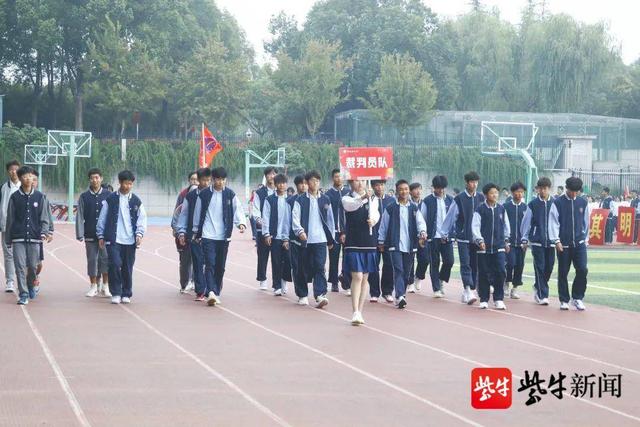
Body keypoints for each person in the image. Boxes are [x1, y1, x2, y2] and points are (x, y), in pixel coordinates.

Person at [192, 167, 246, 306]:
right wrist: (196, 231)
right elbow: (198, 213)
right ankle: (210, 291)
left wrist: (241, 223)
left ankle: (216, 292)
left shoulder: (229, 194)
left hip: (223, 236)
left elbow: (237, 209)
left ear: (225, 180)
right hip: (208, 234)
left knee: (220, 267)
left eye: (223, 179)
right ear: (213, 180)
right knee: (210, 263)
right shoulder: (204, 195)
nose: (220, 182)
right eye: (217, 179)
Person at [97, 170, 148, 305]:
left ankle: (126, 292)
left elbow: (142, 219)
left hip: (130, 240)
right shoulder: (111, 199)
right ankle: (116, 292)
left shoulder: (136, 201)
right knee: (114, 264)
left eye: (130, 184)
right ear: (120, 182)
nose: (128, 186)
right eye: (125, 183)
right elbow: (102, 217)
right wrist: (101, 235)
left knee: (127, 267)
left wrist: (139, 234)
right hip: (113, 239)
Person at [4, 166, 53, 304]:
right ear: (20, 179)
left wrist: (44, 232)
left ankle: (31, 284)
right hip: (18, 237)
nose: (28, 179)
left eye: (30, 176)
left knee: (33, 266)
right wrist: (8, 239)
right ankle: (23, 294)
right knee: (19, 266)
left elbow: (44, 218)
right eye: (25, 176)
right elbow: (10, 220)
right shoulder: (14, 197)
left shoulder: (40, 197)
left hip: (35, 237)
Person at [378, 180, 427, 309]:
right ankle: (400, 296)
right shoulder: (391, 208)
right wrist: (381, 241)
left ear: (408, 191)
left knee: (406, 272)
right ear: (397, 191)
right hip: (395, 245)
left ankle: (401, 294)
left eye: (406, 189)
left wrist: (422, 232)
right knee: (398, 270)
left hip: (410, 245)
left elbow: (420, 222)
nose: (404, 191)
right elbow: (384, 225)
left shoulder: (414, 208)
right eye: (401, 189)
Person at [292, 170, 336, 308]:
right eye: (312, 180)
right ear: (307, 182)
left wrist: (331, 240)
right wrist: (300, 231)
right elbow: (295, 218)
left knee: (320, 267)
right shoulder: (300, 200)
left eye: (317, 181)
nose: (315, 183)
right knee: (302, 268)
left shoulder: (325, 199)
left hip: (320, 240)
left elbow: (330, 221)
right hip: (305, 240)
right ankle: (302, 294)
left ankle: (320, 294)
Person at [440, 171, 485, 305]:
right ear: (466, 183)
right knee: (465, 264)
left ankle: (468, 289)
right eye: (472, 182)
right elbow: (451, 216)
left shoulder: (481, 198)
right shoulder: (459, 199)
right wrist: (444, 233)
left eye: (476, 182)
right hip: (463, 237)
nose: (474, 184)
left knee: (475, 265)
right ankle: (467, 289)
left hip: (477, 238)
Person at [549, 177, 591, 311]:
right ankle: (564, 299)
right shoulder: (558, 203)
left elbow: (586, 222)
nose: (574, 194)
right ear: (566, 188)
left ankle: (577, 298)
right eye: (572, 191)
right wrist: (556, 240)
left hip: (579, 243)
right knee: (563, 272)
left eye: (576, 192)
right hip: (563, 244)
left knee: (583, 269)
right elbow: (553, 222)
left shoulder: (582, 202)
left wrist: (585, 238)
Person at [342, 179, 379, 325]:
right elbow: (350, 206)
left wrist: (374, 221)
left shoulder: (374, 199)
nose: (360, 183)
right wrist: (364, 198)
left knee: (364, 277)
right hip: (353, 241)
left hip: (369, 241)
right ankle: (355, 311)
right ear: (351, 183)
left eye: (363, 180)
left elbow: (376, 213)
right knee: (356, 275)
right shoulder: (347, 197)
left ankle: (360, 311)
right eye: (357, 181)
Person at [472, 183, 510, 310]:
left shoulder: (501, 209)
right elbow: (475, 226)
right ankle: (484, 299)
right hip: (483, 247)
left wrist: (506, 241)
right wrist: (479, 240)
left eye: (496, 193)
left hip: (499, 246)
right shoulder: (480, 209)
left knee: (500, 271)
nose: (495, 195)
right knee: (483, 273)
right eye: (492, 193)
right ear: (486, 195)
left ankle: (498, 299)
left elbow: (506, 226)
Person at [176, 167, 212, 301]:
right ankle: (200, 290)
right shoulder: (190, 196)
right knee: (197, 262)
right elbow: (184, 214)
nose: (206, 183)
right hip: (195, 235)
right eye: (203, 180)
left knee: (211, 263)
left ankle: (212, 288)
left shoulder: (215, 194)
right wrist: (181, 232)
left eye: (209, 180)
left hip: (213, 236)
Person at [76, 168, 111, 298]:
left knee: (105, 260)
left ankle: (105, 286)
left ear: (101, 178)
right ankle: (93, 286)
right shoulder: (84, 197)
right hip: (90, 233)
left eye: (97, 177)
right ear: (89, 180)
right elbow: (79, 215)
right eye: (92, 178)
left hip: (105, 235)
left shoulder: (108, 195)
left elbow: (112, 215)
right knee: (92, 260)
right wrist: (80, 233)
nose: (94, 180)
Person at [520, 177, 554, 306]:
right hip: (537, 241)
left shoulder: (555, 203)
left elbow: (558, 222)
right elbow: (526, 222)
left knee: (549, 267)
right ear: (538, 190)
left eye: (545, 189)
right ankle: (542, 295)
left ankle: (537, 286)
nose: (543, 191)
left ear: (549, 189)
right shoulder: (533, 204)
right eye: (541, 189)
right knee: (539, 267)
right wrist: (525, 238)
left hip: (551, 241)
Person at [420, 175, 454, 298]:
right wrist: (422, 234)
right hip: (432, 237)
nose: (441, 190)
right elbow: (422, 218)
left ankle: (441, 279)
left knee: (449, 261)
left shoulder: (450, 200)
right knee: (434, 263)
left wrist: (452, 233)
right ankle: (436, 289)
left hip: (447, 237)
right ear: (433, 188)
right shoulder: (427, 201)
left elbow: (453, 218)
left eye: (443, 188)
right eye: (438, 188)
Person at [262, 174, 292, 296]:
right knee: (276, 261)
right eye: (279, 183)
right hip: (274, 236)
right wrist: (266, 234)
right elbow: (266, 217)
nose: (281, 185)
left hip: (288, 237)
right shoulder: (269, 200)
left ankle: (284, 281)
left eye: (284, 183)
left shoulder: (290, 199)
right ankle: (277, 285)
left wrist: (289, 237)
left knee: (288, 261)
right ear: (275, 184)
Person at [368, 179, 395, 302]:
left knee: (389, 265)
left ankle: (387, 291)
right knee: (373, 266)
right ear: (373, 186)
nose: (380, 187)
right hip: (373, 238)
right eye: (377, 185)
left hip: (388, 239)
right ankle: (374, 292)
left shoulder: (391, 201)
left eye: (382, 185)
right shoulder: (369, 200)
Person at [325, 168, 350, 293]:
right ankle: (334, 282)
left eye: (340, 176)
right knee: (333, 258)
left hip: (348, 231)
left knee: (348, 257)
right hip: (334, 231)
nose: (338, 178)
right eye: (336, 176)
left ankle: (345, 280)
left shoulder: (349, 192)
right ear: (332, 178)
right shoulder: (328, 194)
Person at [253, 167, 277, 290]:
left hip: (277, 230)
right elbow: (256, 210)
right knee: (262, 255)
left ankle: (277, 282)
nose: (271, 176)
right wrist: (260, 221)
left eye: (273, 174)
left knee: (278, 257)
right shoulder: (259, 192)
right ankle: (262, 279)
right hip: (262, 229)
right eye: (269, 174)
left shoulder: (280, 191)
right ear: (266, 177)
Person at [504, 182, 528, 300]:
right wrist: (505, 239)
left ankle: (515, 288)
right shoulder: (506, 206)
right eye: (517, 191)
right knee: (510, 263)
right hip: (510, 242)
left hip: (522, 243)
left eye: (521, 192)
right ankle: (506, 284)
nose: (519, 194)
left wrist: (526, 240)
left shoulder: (526, 208)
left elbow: (529, 225)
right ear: (513, 192)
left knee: (519, 265)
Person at [0, 160, 21, 293]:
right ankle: (10, 281)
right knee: (8, 254)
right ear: (8, 171)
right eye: (11, 169)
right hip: (6, 225)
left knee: (21, 254)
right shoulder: (3, 187)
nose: (14, 171)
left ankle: (23, 280)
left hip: (20, 226)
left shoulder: (24, 185)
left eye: (16, 169)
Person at [288, 175, 308, 302]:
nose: (304, 186)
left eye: (306, 183)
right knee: (297, 267)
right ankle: (302, 293)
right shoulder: (290, 201)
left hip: (311, 241)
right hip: (295, 240)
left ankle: (319, 292)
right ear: (296, 185)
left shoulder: (313, 199)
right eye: (301, 184)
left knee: (312, 266)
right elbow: (286, 220)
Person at [407, 182, 428, 293]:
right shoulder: (407, 204)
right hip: (410, 235)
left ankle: (419, 276)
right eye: (415, 189)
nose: (418, 191)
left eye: (419, 189)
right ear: (410, 192)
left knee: (425, 259)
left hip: (422, 236)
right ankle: (409, 282)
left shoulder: (425, 204)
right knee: (410, 259)